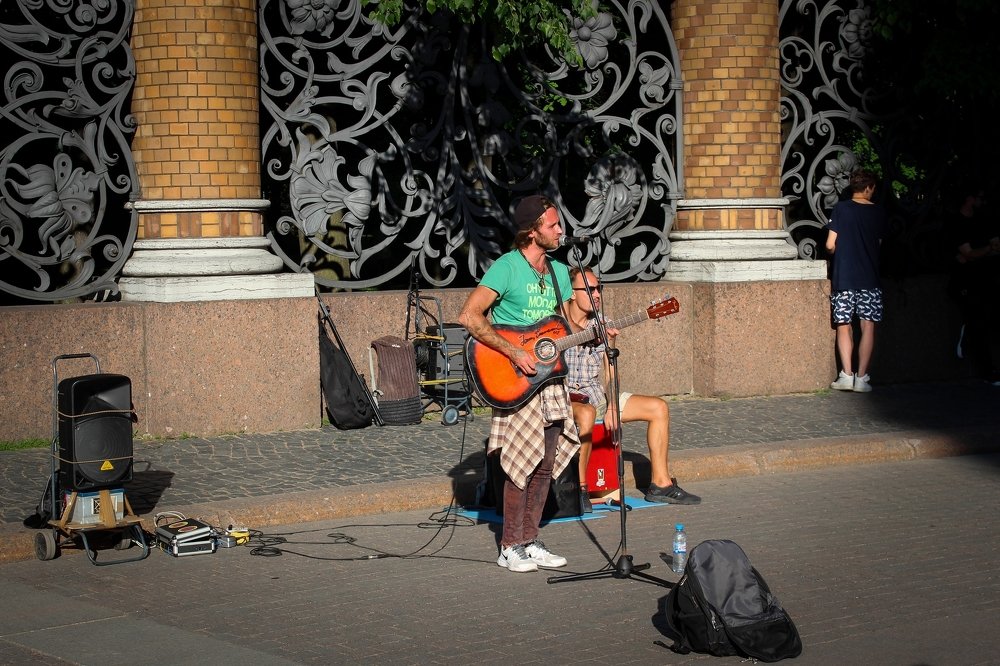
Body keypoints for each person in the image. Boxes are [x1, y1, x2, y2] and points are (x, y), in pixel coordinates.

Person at [458, 194, 580, 573]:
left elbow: (563, 328)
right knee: (520, 464)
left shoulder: (560, 273)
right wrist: (513, 352)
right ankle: (509, 545)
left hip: (551, 379)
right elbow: (469, 316)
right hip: (515, 379)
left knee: (545, 463)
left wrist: (594, 332)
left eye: (559, 224)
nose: (561, 230)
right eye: (553, 225)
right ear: (532, 232)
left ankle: (529, 538)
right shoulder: (506, 268)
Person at [563, 267, 700, 509]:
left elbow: (610, 372)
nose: (596, 295)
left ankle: (660, 484)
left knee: (658, 408)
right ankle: (581, 491)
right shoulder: (555, 323)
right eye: (589, 289)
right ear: (571, 293)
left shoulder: (603, 323)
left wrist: (613, 405)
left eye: (598, 289)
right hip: (565, 398)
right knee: (586, 413)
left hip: (596, 396)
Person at [825, 169, 888, 393]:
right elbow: (878, 244)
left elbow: (830, 244)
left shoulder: (841, 209)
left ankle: (846, 375)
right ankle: (862, 378)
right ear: (869, 188)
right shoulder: (879, 212)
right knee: (868, 325)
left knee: (843, 325)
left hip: (844, 275)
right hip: (869, 276)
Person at [947, 187, 1000, 384]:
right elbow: (970, 253)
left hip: (984, 278)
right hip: (967, 281)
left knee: (984, 321)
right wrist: (985, 250)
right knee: (979, 322)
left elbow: (971, 254)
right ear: (969, 199)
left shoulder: (984, 220)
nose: (983, 201)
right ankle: (988, 370)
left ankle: (969, 335)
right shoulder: (956, 222)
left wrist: (977, 253)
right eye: (980, 197)